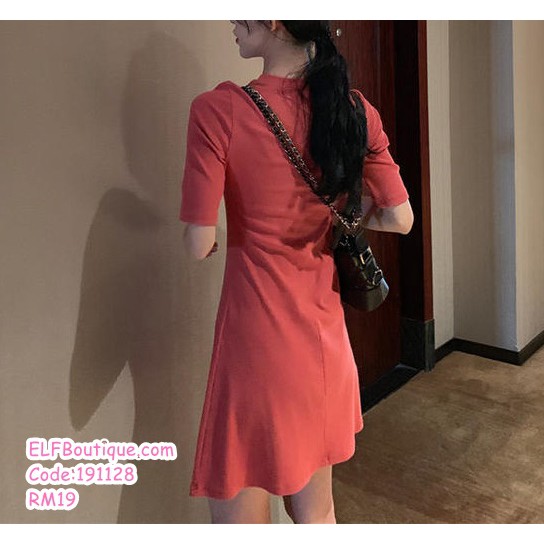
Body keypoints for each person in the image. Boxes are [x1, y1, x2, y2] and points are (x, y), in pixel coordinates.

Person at [179, 20, 414, 524]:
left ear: (273, 20)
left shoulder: (219, 110)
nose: (232, 23)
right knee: (317, 514)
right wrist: (345, 216)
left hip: (257, 352)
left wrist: (214, 236)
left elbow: (197, 244)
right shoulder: (353, 109)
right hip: (325, 348)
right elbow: (400, 218)